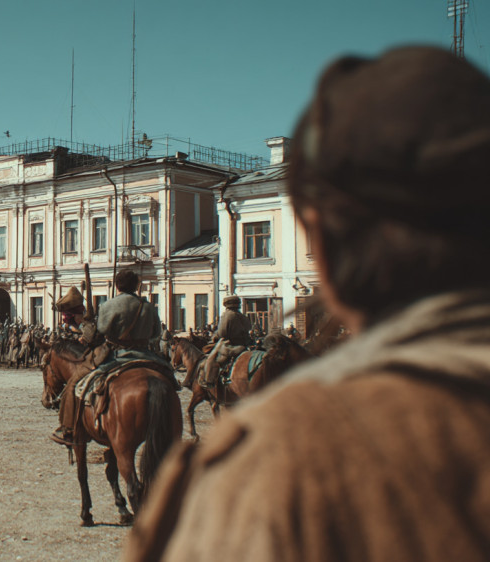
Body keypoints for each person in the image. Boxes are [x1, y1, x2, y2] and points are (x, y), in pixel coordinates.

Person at [123, 46, 490, 561]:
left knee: (209, 363)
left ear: (326, 238)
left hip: (221, 366)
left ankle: (197, 387)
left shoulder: (273, 459)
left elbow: (227, 337)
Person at [50, 269, 163, 446]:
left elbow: (101, 331)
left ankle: (69, 429)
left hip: (117, 356)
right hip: (147, 355)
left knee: (73, 384)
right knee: (170, 379)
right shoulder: (148, 307)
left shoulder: (109, 305)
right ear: (136, 286)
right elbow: (156, 333)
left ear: (117, 286)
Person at [199, 295, 253, 388]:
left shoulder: (227, 315)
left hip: (230, 345)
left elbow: (222, 333)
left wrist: (215, 336)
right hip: (244, 344)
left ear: (226, 305)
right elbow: (249, 328)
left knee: (211, 358)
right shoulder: (243, 316)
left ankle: (209, 381)